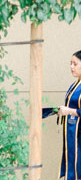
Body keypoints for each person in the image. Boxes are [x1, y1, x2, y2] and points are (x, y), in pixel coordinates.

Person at [43, 49, 81, 180]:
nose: (71, 67)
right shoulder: (75, 85)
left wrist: (69, 111)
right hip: (72, 134)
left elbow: (74, 110)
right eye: (70, 63)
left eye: (75, 64)